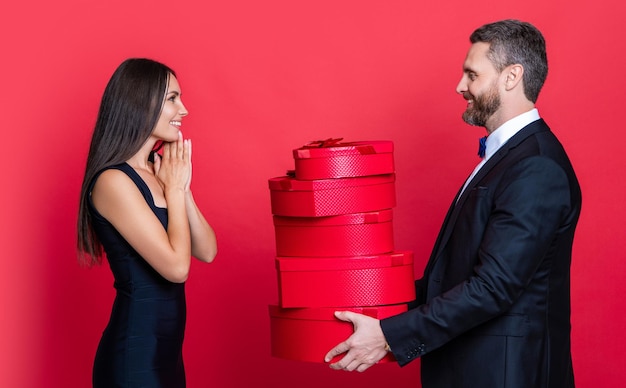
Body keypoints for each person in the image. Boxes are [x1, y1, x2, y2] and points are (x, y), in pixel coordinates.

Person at [324, 19, 581, 388]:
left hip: (506, 375)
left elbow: (493, 288)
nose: (460, 86)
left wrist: (387, 335)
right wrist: (371, 309)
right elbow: (454, 279)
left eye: (472, 74)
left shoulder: (535, 166)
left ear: (512, 77)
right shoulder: (509, 159)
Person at [77, 58, 217, 387]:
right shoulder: (113, 181)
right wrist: (172, 186)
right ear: (140, 101)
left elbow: (208, 251)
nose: (183, 110)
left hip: (166, 356)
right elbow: (176, 268)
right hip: (134, 357)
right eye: (172, 98)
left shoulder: (158, 172)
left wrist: (180, 188)